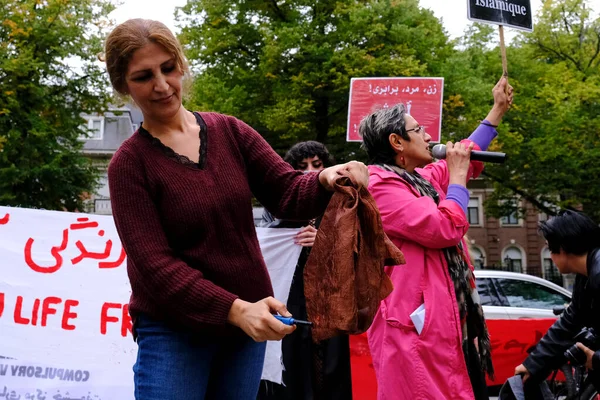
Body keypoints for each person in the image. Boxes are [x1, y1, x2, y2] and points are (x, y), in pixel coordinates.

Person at [103, 19, 368, 400]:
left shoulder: (230, 131)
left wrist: (327, 177)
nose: (161, 85)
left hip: (246, 324)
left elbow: (286, 191)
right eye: (143, 76)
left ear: (181, 65)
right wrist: (235, 309)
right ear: (123, 86)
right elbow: (157, 267)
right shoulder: (129, 165)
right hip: (173, 330)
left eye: (168, 68)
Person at [360, 77, 513, 399]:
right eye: (418, 130)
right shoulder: (380, 186)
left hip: (445, 323)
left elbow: (466, 151)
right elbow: (443, 228)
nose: (430, 136)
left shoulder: (420, 180)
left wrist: (497, 109)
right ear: (396, 142)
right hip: (412, 328)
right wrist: (457, 177)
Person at [257, 141, 352, 400]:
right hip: (291, 300)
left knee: (331, 370)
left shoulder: (343, 204)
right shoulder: (277, 207)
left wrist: (324, 240)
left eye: (317, 165)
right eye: (302, 167)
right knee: (293, 367)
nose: (310, 170)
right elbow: (265, 246)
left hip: (331, 304)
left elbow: (358, 250)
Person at [515, 210, 600, 391]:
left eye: (548, 247)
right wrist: (533, 364)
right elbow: (570, 321)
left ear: (561, 248)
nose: (550, 256)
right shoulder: (586, 275)